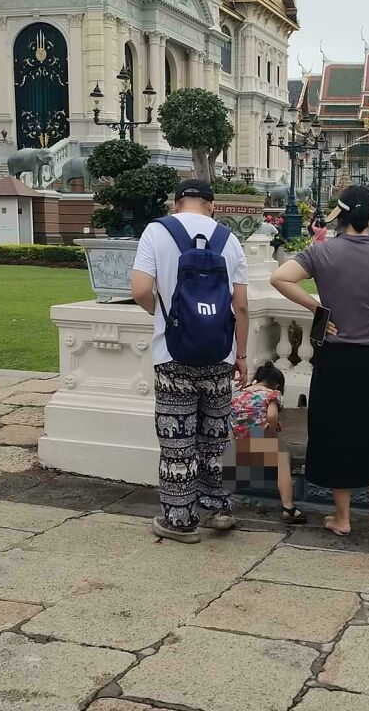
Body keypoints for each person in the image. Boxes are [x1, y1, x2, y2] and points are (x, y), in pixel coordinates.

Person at [270, 185, 369, 537]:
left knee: (337, 430)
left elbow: (279, 277)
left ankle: (342, 518)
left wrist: (316, 306)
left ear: (341, 216)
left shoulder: (322, 252)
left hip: (335, 354)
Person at [131, 179, 249, 544]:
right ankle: (220, 509)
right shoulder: (229, 240)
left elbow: (139, 290)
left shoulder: (156, 231)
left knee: (178, 441)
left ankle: (180, 521)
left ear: (175, 204)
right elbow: (241, 306)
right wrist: (241, 355)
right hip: (219, 355)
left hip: (173, 355)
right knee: (216, 435)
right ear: (212, 206)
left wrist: (166, 319)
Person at [230, 361, 307, 525]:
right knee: (282, 458)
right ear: (277, 384)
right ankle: (288, 507)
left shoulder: (239, 393)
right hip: (259, 441)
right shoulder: (272, 394)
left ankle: (223, 502)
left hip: (237, 442)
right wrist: (272, 427)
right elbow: (271, 416)